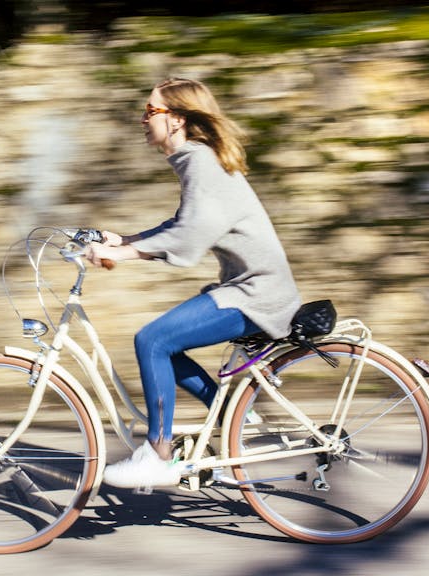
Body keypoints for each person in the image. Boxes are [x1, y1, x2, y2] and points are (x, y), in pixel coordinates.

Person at [84, 78, 302, 490]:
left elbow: (187, 237)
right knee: (165, 344)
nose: (143, 118)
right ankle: (235, 419)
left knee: (152, 341)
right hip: (249, 288)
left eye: (151, 111)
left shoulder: (200, 161)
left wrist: (123, 255)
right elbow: (186, 224)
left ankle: (159, 454)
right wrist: (126, 240)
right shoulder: (196, 160)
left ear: (178, 119)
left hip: (258, 295)